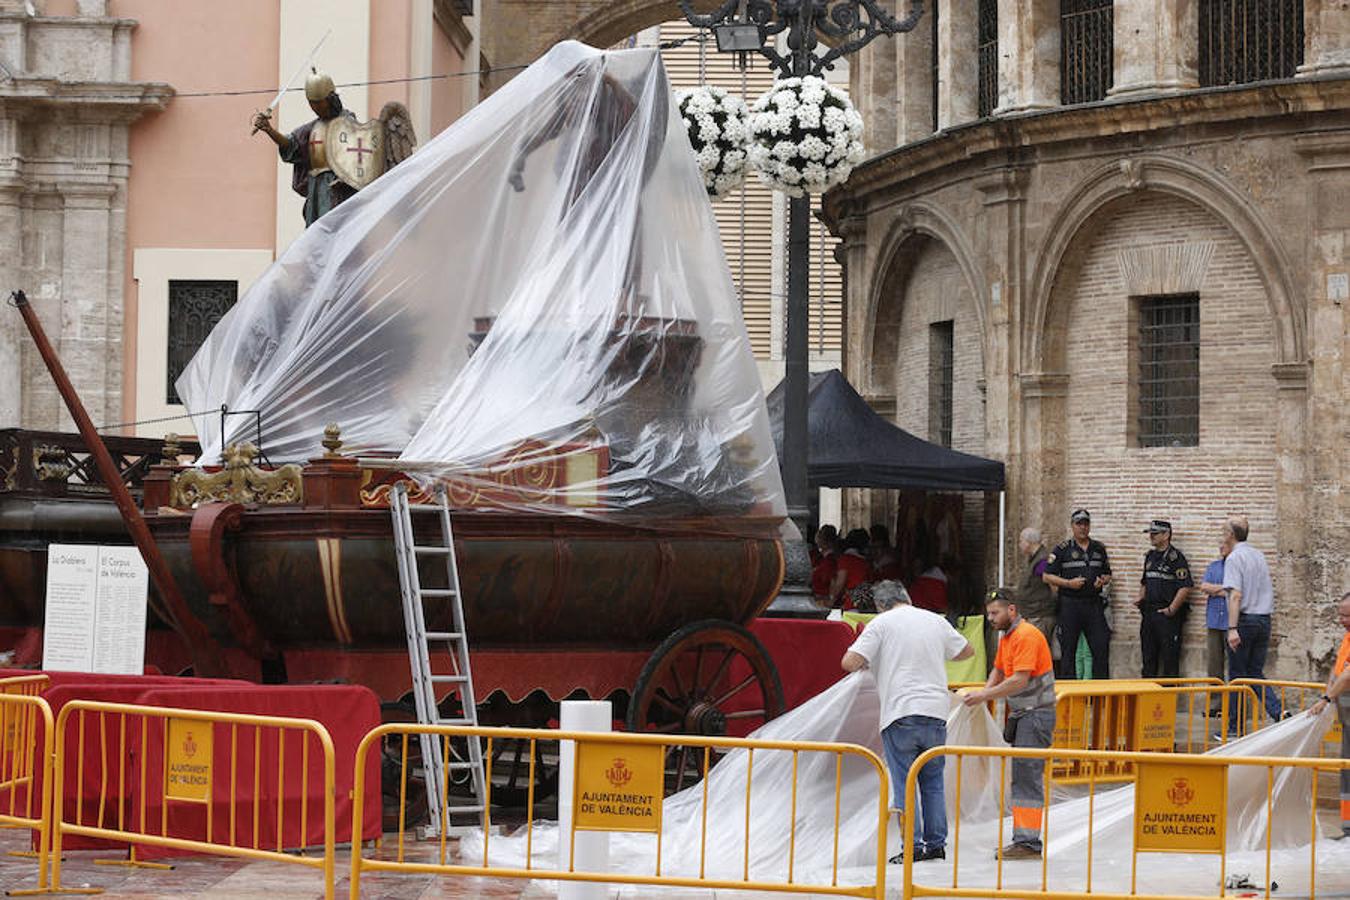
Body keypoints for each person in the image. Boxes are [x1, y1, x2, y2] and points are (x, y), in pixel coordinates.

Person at [841, 581, 973, 864]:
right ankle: (936, 845)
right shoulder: (934, 621)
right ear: (907, 597)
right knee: (933, 781)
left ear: (880, 605)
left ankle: (911, 847)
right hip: (936, 711)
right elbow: (966, 651)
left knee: (904, 783)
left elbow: (849, 662)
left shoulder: (881, 624)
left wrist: (874, 660)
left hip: (900, 712)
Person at [963, 588, 1056, 859]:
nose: (990, 618)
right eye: (989, 613)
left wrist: (983, 695)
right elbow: (1000, 669)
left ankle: (1028, 843)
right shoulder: (1008, 636)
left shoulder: (1026, 636)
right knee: (1022, 779)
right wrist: (983, 695)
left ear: (1011, 610)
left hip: (1035, 714)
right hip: (1025, 715)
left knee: (1027, 780)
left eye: (995, 612)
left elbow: (1019, 679)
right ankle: (1024, 840)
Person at [253, 70, 358, 227]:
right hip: (317, 188)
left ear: (330, 99)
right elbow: (292, 145)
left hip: (339, 189)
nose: (315, 108)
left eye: (318, 103)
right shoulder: (313, 128)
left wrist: (346, 177)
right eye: (311, 103)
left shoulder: (348, 122)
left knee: (333, 231)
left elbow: (359, 158)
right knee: (315, 235)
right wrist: (269, 129)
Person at [1222, 516, 1282, 722]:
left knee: (1238, 675)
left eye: (1224, 532)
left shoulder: (1234, 558)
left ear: (1231, 535)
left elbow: (1236, 595)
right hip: (1263, 619)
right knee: (1255, 671)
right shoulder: (1258, 556)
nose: (1222, 536)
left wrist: (1231, 628)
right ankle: (1278, 711)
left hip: (1245, 621)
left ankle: (1233, 726)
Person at [1043, 509, 1112, 679]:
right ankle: (1071, 697)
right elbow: (1046, 576)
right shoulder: (1062, 549)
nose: (1082, 527)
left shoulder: (1098, 548)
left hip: (1093, 604)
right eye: (1078, 524)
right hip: (1070, 605)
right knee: (1069, 651)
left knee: (1100, 648)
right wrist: (1068, 583)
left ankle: (1100, 695)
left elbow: (1108, 573)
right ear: (1072, 526)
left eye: (1085, 524)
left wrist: (1103, 580)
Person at [1306, 592, 1350, 838]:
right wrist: (1327, 693)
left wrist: (1326, 699)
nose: (1342, 620)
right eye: (1341, 615)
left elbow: (1348, 675)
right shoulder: (1347, 638)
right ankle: (1348, 827)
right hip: (1347, 718)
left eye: (1347, 615)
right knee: (1347, 771)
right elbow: (1337, 672)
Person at [1134, 520, 1193, 678]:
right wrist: (1141, 597)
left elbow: (1185, 586)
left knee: (1169, 661)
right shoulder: (1150, 556)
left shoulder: (1176, 558)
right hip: (1149, 613)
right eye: (1150, 533)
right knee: (1148, 659)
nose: (1151, 537)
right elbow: (1144, 581)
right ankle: (1147, 699)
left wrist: (1172, 609)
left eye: (1155, 533)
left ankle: (1168, 701)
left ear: (1166, 535)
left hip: (1167, 616)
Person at [1198, 534, 1235, 714]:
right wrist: (1224, 590)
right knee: (1214, 666)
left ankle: (1235, 706)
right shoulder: (1213, 567)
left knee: (1234, 666)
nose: (1221, 547)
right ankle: (1215, 705)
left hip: (1232, 623)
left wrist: (1217, 590)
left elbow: (1236, 591)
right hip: (1214, 621)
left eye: (1224, 545)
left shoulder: (1237, 567)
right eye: (1219, 544)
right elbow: (1204, 586)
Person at [1017, 527, 1057, 647]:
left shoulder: (1042, 561)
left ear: (1029, 542)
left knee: (1036, 649)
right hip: (1033, 613)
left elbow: (1053, 584)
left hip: (1040, 616)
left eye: (1021, 541)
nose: (1019, 545)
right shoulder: (1034, 559)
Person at [830, 528, 871, 610]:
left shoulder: (846, 559)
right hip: (867, 601)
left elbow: (840, 584)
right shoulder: (866, 561)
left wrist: (832, 599)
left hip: (852, 602)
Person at [812, 526, 840, 606]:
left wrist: (831, 599)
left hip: (823, 599)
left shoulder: (829, 560)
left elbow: (832, 580)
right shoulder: (821, 558)